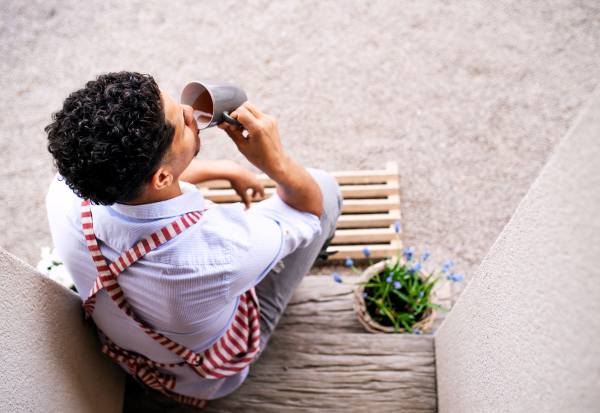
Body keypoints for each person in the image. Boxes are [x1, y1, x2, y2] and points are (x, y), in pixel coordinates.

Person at [45, 71, 342, 406]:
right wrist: (276, 161)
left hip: (137, 357)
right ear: (161, 177)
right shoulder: (221, 254)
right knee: (326, 190)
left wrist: (224, 169)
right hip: (212, 376)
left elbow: (150, 183)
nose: (191, 113)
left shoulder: (66, 190)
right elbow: (308, 210)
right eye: (183, 124)